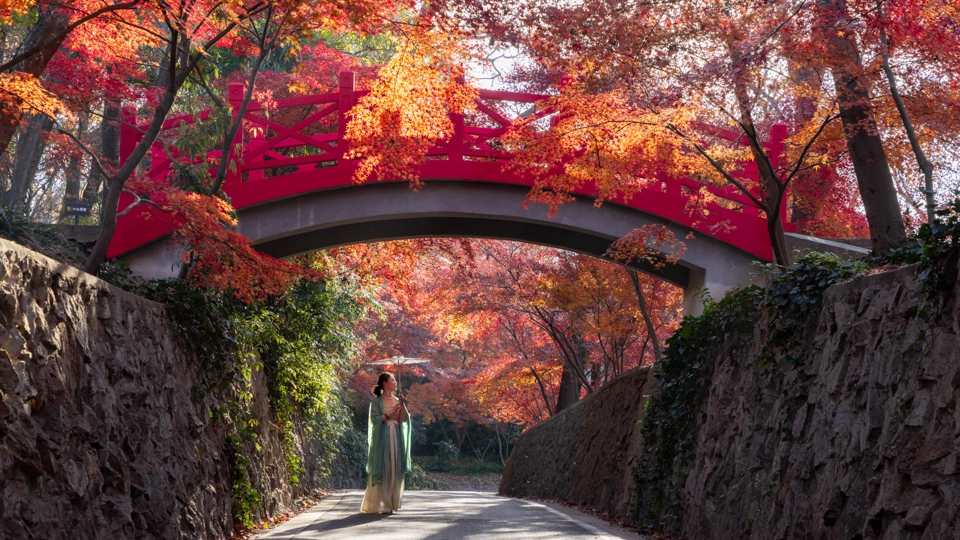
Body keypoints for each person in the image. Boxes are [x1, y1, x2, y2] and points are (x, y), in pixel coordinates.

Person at [360, 372, 412, 514]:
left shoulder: (397, 400)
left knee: (395, 468)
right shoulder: (376, 402)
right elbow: (374, 420)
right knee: (384, 468)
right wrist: (390, 413)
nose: (395, 382)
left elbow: (405, 420)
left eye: (396, 380)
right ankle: (382, 502)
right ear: (385, 383)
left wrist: (402, 405)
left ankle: (391, 501)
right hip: (383, 438)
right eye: (393, 380)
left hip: (396, 436)